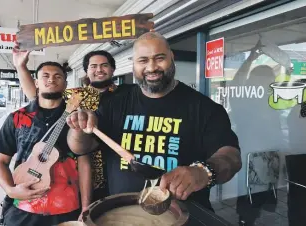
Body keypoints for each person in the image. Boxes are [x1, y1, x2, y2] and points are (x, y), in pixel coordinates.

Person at [66, 32, 242, 210]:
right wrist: (78, 128)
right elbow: (80, 147)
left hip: (184, 216)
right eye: (143, 60)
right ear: (133, 64)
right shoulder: (114, 103)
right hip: (122, 215)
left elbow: (231, 157)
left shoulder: (204, 107)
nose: (151, 67)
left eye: (159, 58)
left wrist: (203, 172)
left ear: (171, 58)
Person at [0, 61, 97, 226]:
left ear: (65, 84)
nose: (51, 80)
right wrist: (9, 190)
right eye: (45, 76)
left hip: (67, 208)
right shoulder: (16, 118)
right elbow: (0, 161)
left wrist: (86, 206)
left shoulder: (76, 119)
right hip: (22, 208)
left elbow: (84, 163)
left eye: (58, 76)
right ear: (36, 82)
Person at [12, 47, 118, 201]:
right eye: (93, 66)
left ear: (113, 69)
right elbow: (35, 95)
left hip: (118, 167)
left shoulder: (126, 94)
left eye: (104, 65)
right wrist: (21, 67)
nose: (99, 70)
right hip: (85, 171)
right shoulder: (75, 95)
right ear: (86, 71)